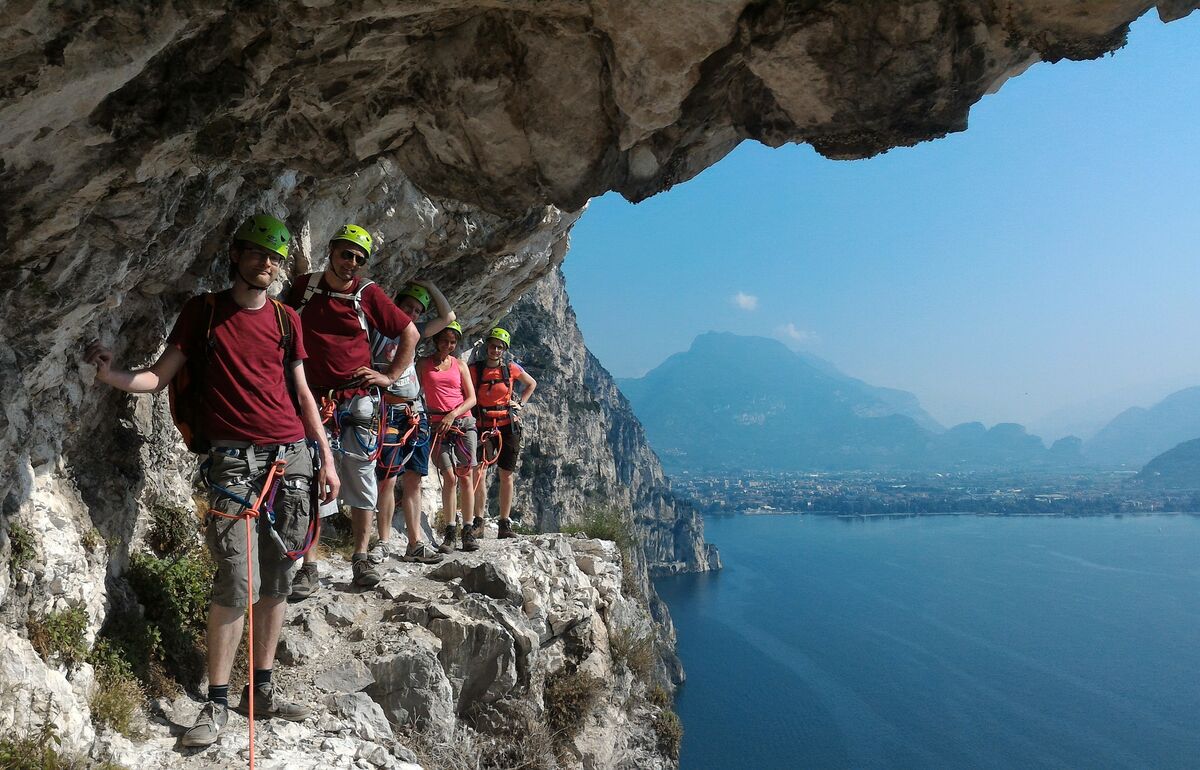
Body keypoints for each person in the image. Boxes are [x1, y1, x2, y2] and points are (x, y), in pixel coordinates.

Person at [84, 214, 340, 748]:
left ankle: (261, 691)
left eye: (273, 257)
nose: (266, 264)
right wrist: (112, 375)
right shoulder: (203, 313)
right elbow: (159, 376)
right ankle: (217, 702)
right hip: (233, 465)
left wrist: (326, 457)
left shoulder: (287, 320)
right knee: (235, 582)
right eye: (257, 254)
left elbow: (302, 392)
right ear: (236, 255)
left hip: (290, 458)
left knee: (279, 582)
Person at [285, 224, 418, 594]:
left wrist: (389, 376)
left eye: (359, 259)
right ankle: (308, 565)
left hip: (356, 397)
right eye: (347, 254)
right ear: (332, 251)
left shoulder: (367, 293)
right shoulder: (305, 288)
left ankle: (360, 557)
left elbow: (410, 332)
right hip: (313, 399)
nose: (351, 263)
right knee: (310, 478)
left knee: (360, 475)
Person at [371, 281, 455, 564]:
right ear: (396, 304)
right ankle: (383, 542)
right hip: (390, 411)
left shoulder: (414, 332)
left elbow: (448, 317)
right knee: (388, 478)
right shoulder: (378, 332)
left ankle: (415, 543)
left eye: (418, 310)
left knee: (414, 480)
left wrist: (428, 286)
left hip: (414, 413)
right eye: (408, 307)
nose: (413, 314)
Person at [416, 321, 479, 553]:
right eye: (444, 341)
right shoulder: (423, 364)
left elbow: (471, 398)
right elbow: (415, 391)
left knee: (465, 476)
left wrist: (453, 415)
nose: (449, 346)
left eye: (452, 342)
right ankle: (451, 529)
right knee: (449, 477)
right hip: (437, 425)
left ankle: (468, 530)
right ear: (435, 341)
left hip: (461, 422)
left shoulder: (460, 365)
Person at [469, 327, 537, 538]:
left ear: (504, 350)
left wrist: (520, 404)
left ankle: (503, 524)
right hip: (483, 425)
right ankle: (478, 521)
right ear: (487, 346)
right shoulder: (476, 370)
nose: (495, 350)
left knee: (506, 474)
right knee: (479, 472)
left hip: (507, 425)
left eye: (499, 347)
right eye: (492, 346)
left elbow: (531, 383)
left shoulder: (511, 369)